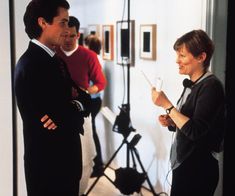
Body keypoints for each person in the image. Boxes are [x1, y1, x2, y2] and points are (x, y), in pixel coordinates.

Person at [14, 1, 91, 195]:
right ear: (43, 22)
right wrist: (73, 109)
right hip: (48, 170)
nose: (67, 30)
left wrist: (73, 105)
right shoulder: (30, 64)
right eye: (63, 23)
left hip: (64, 165)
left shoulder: (56, 61)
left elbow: (85, 101)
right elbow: (55, 121)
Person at [151, 29, 225, 196]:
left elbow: (196, 131)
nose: (177, 61)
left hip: (199, 170)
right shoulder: (194, 84)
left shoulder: (211, 86)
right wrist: (171, 122)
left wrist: (167, 105)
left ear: (201, 57)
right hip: (186, 165)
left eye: (182, 56)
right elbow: (189, 121)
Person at [56, 16, 107, 178]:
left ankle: (91, 171)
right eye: (64, 35)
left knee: (85, 145)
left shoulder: (89, 56)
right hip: (59, 107)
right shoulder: (53, 54)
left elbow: (101, 82)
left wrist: (88, 90)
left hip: (83, 106)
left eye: (72, 36)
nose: (68, 40)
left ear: (78, 36)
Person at [84, 34, 106, 177]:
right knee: (91, 130)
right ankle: (97, 164)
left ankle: (98, 166)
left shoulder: (92, 60)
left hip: (91, 100)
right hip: (95, 100)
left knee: (91, 131)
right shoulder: (99, 59)